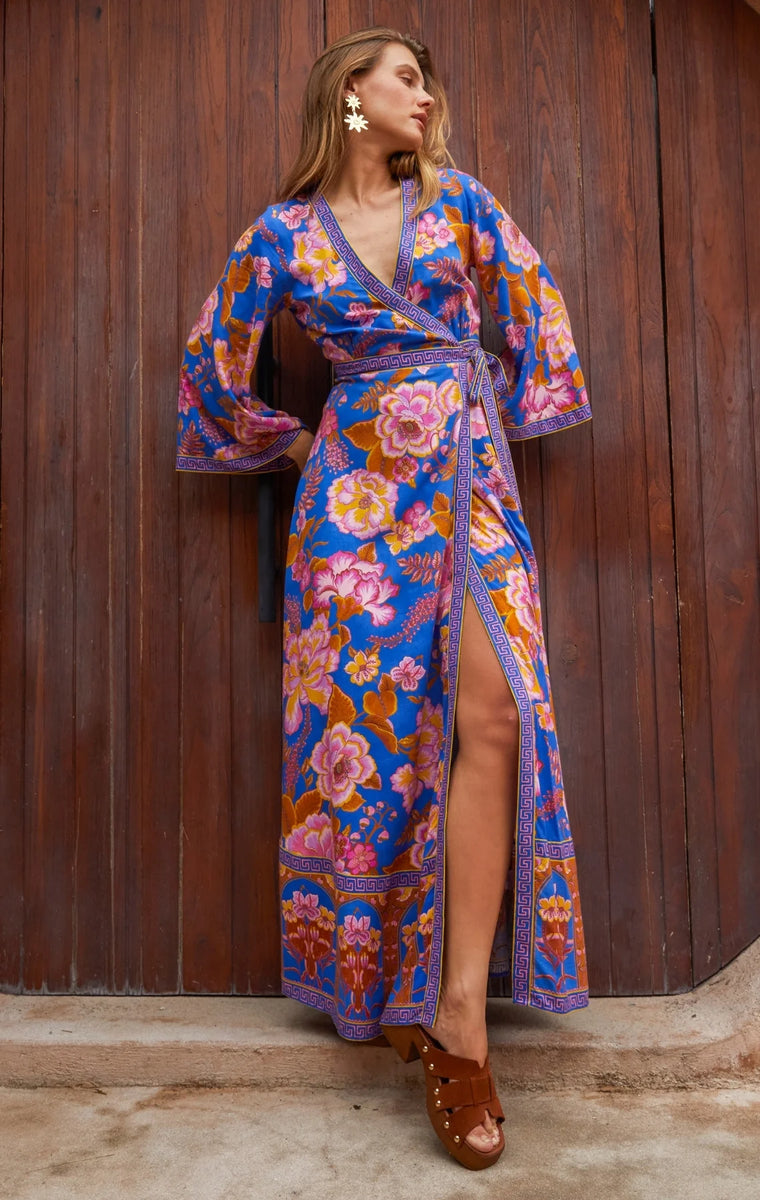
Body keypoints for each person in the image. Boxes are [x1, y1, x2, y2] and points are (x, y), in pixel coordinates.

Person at [177, 26, 590, 1171]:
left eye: (424, 78)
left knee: (495, 718)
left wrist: (485, 403)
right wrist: (307, 441)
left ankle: (458, 1015)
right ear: (347, 99)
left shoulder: (458, 203)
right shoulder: (282, 236)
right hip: (353, 515)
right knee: (363, 746)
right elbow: (212, 371)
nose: (422, 94)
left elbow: (537, 310)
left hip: (463, 485)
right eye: (401, 76)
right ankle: (406, 1001)